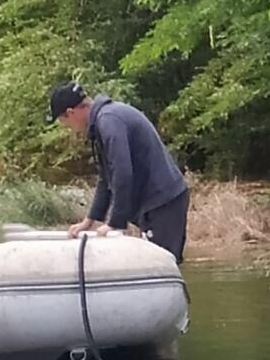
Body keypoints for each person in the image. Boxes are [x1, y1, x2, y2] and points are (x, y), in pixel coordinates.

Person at [47, 81, 190, 263]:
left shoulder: (109, 121)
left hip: (164, 200)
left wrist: (115, 223)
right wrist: (90, 220)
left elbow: (122, 173)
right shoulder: (102, 121)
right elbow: (106, 179)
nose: (67, 127)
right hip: (155, 203)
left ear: (70, 112)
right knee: (150, 264)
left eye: (63, 121)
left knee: (161, 264)